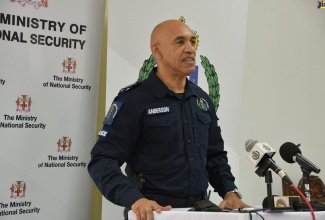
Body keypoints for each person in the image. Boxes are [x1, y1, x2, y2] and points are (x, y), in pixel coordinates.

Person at [88, 19, 250, 220]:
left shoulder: (202, 100)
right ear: (157, 51)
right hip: (156, 213)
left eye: (192, 41)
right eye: (180, 42)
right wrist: (134, 199)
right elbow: (102, 160)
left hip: (201, 212)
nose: (190, 49)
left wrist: (229, 191)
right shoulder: (134, 100)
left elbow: (214, 155)